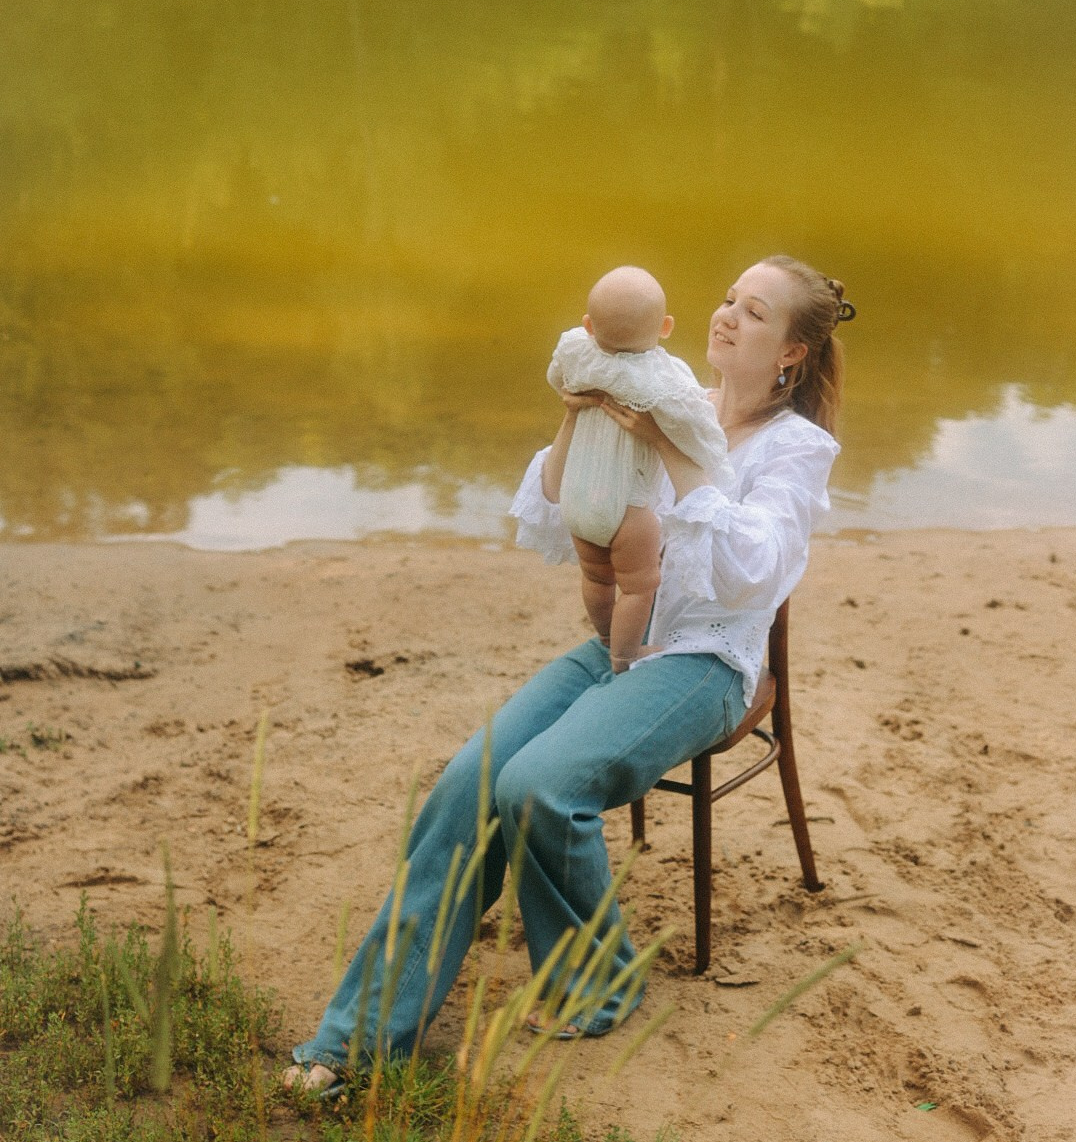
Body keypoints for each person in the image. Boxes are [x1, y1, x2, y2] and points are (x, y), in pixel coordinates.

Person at [283, 255, 855, 1097]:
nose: (727, 315)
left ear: (791, 354)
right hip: (620, 643)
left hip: (709, 662)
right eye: (727, 296)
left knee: (542, 786)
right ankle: (356, 1040)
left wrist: (671, 448)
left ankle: (598, 983)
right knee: (468, 784)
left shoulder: (796, 449)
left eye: (756, 312)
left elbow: (751, 575)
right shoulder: (669, 394)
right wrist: (576, 418)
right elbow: (561, 506)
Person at [548, 265, 732, 671]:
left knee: (597, 577)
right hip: (627, 506)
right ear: (665, 326)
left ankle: (604, 636)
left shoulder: (578, 353)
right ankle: (625, 655)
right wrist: (710, 428)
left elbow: (555, 378)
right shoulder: (663, 376)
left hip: (577, 497)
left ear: (588, 325)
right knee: (638, 588)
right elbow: (692, 423)